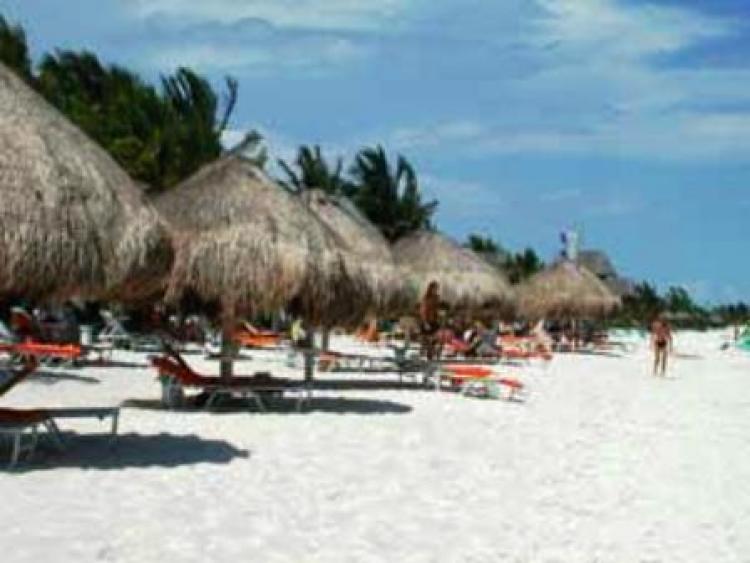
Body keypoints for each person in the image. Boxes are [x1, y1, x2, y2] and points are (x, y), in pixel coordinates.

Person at [419, 281, 441, 360]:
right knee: (426, 338)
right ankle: (426, 353)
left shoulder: (437, 298)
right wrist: (425, 322)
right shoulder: (426, 298)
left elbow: (438, 309)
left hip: (435, 320)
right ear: (431, 289)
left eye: (437, 288)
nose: (436, 290)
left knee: (434, 338)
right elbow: (423, 311)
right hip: (427, 320)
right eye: (434, 288)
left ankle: (431, 353)